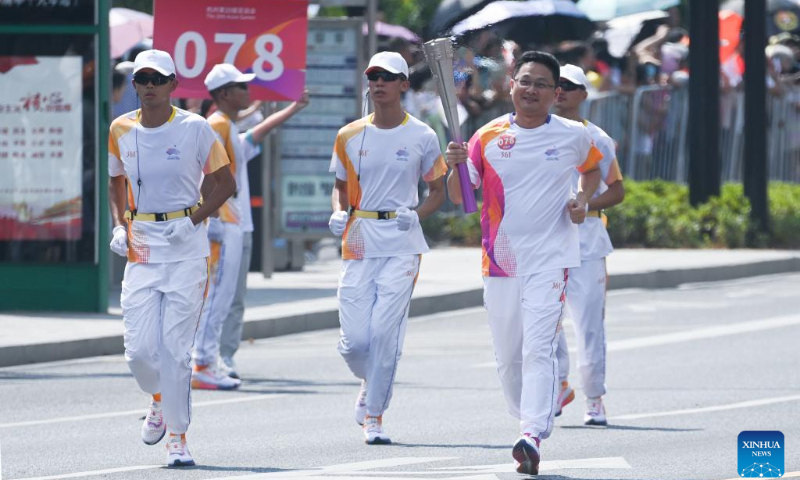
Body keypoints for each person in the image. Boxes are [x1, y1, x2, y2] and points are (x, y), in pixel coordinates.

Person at [445, 51, 602, 475]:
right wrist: (453, 169)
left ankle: (531, 433)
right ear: (512, 84)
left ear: (555, 93)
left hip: (552, 257)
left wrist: (582, 199)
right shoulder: (486, 136)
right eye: (525, 81)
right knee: (508, 356)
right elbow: (460, 198)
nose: (531, 89)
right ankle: (527, 418)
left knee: (538, 348)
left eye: (541, 84)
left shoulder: (574, 135)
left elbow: (591, 172)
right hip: (500, 260)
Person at [107, 49, 235, 467]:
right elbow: (116, 181)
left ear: (172, 85)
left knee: (175, 349)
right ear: (135, 85)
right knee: (139, 353)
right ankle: (159, 398)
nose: (148, 87)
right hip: (142, 243)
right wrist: (120, 225)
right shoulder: (120, 128)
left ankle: (178, 437)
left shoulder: (195, 128)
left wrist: (195, 219)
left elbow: (225, 183)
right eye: (142, 79)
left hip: (184, 245)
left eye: (157, 80)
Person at [328, 51, 446, 445]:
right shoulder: (349, 134)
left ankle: (375, 414)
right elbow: (340, 185)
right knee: (355, 342)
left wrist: (418, 213)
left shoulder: (422, 136)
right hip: (359, 237)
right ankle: (370, 378)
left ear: (403, 85)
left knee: (383, 333)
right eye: (373, 76)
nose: (378, 83)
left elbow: (437, 189)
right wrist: (338, 211)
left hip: (401, 239)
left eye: (387, 77)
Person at [190, 65, 309, 388]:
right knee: (216, 295)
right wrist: (205, 219)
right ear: (225, 93)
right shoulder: (216, 125)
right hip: (222, 220)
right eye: (241, 86)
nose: (248, 91)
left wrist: (292, 109)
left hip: (231, 219)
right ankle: (202, 364)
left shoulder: (225, 125)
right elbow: (206, 177)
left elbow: (254, 137)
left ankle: (207, 361)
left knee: (224, 296)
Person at [552, 64, 625, 426]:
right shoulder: (535, 133)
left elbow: (616, 190)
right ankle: (559, 383)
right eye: (557, 84)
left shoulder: (598, 138)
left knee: (588, 324)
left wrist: (585, 204)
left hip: (588, 241)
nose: (561, 90)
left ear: (584, 94)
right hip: (545, 239)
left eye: (570, 86)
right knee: (543, 319)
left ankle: (594, 399)